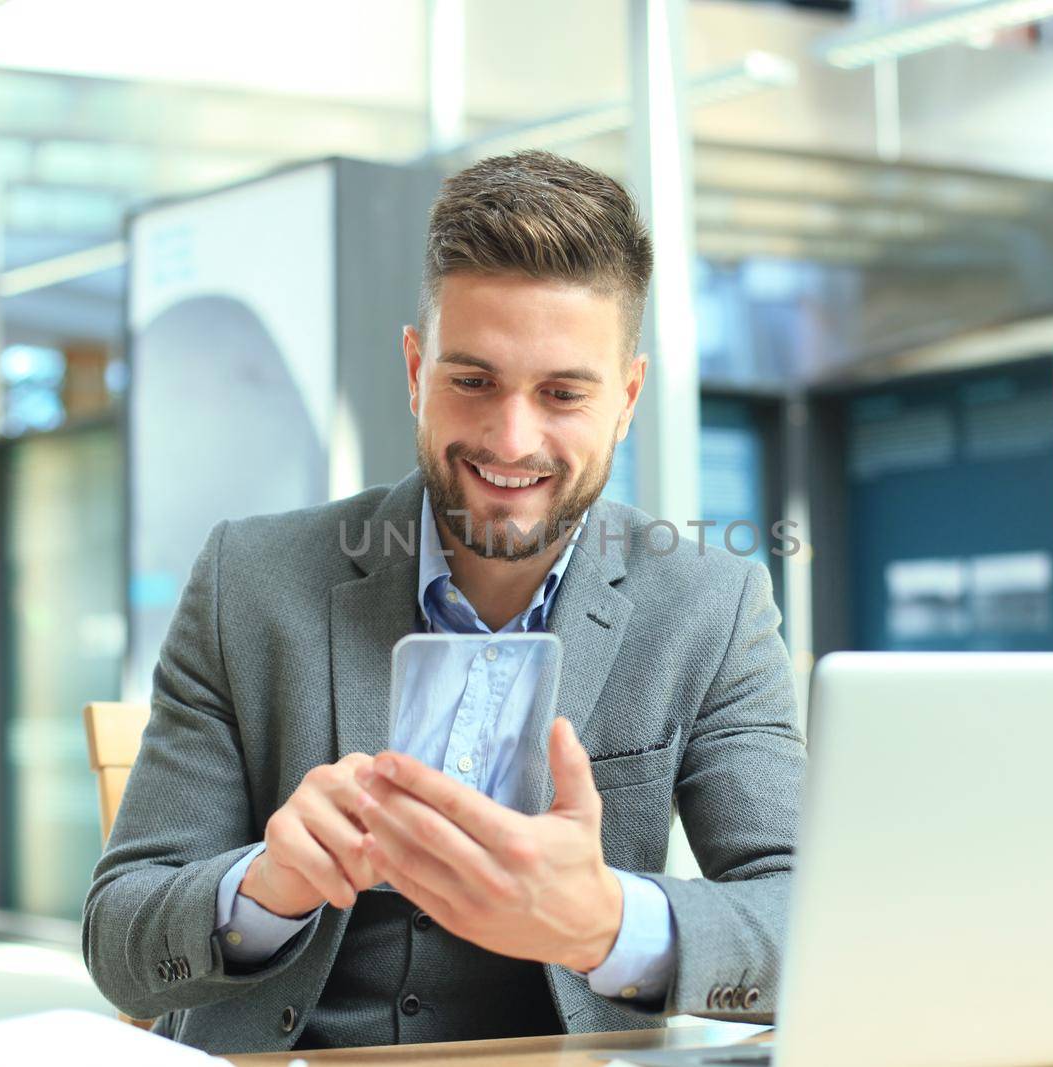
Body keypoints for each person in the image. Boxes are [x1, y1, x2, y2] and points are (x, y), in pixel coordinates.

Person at [83, 150, 806, 1056]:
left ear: (626, 398)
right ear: (416, 369)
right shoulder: (250, 579)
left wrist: (608, 922)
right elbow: (118, 940)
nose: (512, 439)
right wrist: (265, 886)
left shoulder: (710, 604)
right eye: (473, 381)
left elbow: (810, 920)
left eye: (562, 393)